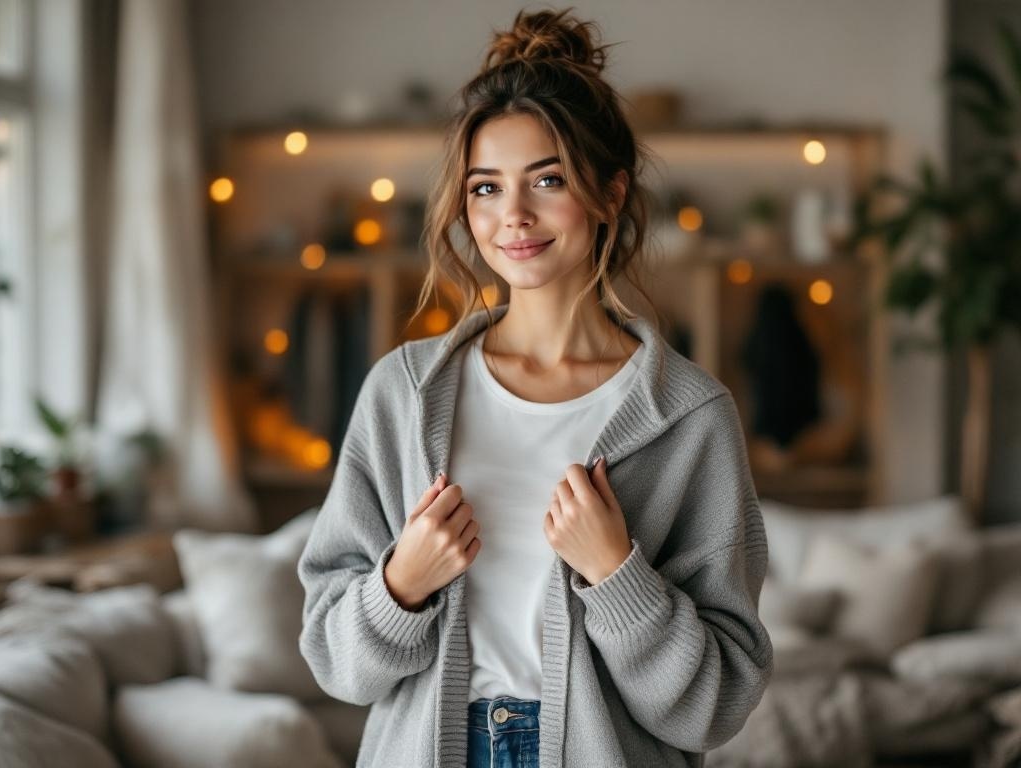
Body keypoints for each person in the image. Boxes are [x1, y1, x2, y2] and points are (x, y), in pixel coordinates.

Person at [297, 8, 773, 768]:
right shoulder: (403, 394)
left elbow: (714, 706)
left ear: (610, 194)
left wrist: (619, 577)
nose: (511, 216)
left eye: (546, 180)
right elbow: (335, 664)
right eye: (486, 188)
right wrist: (401, 584)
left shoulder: (688, 416)